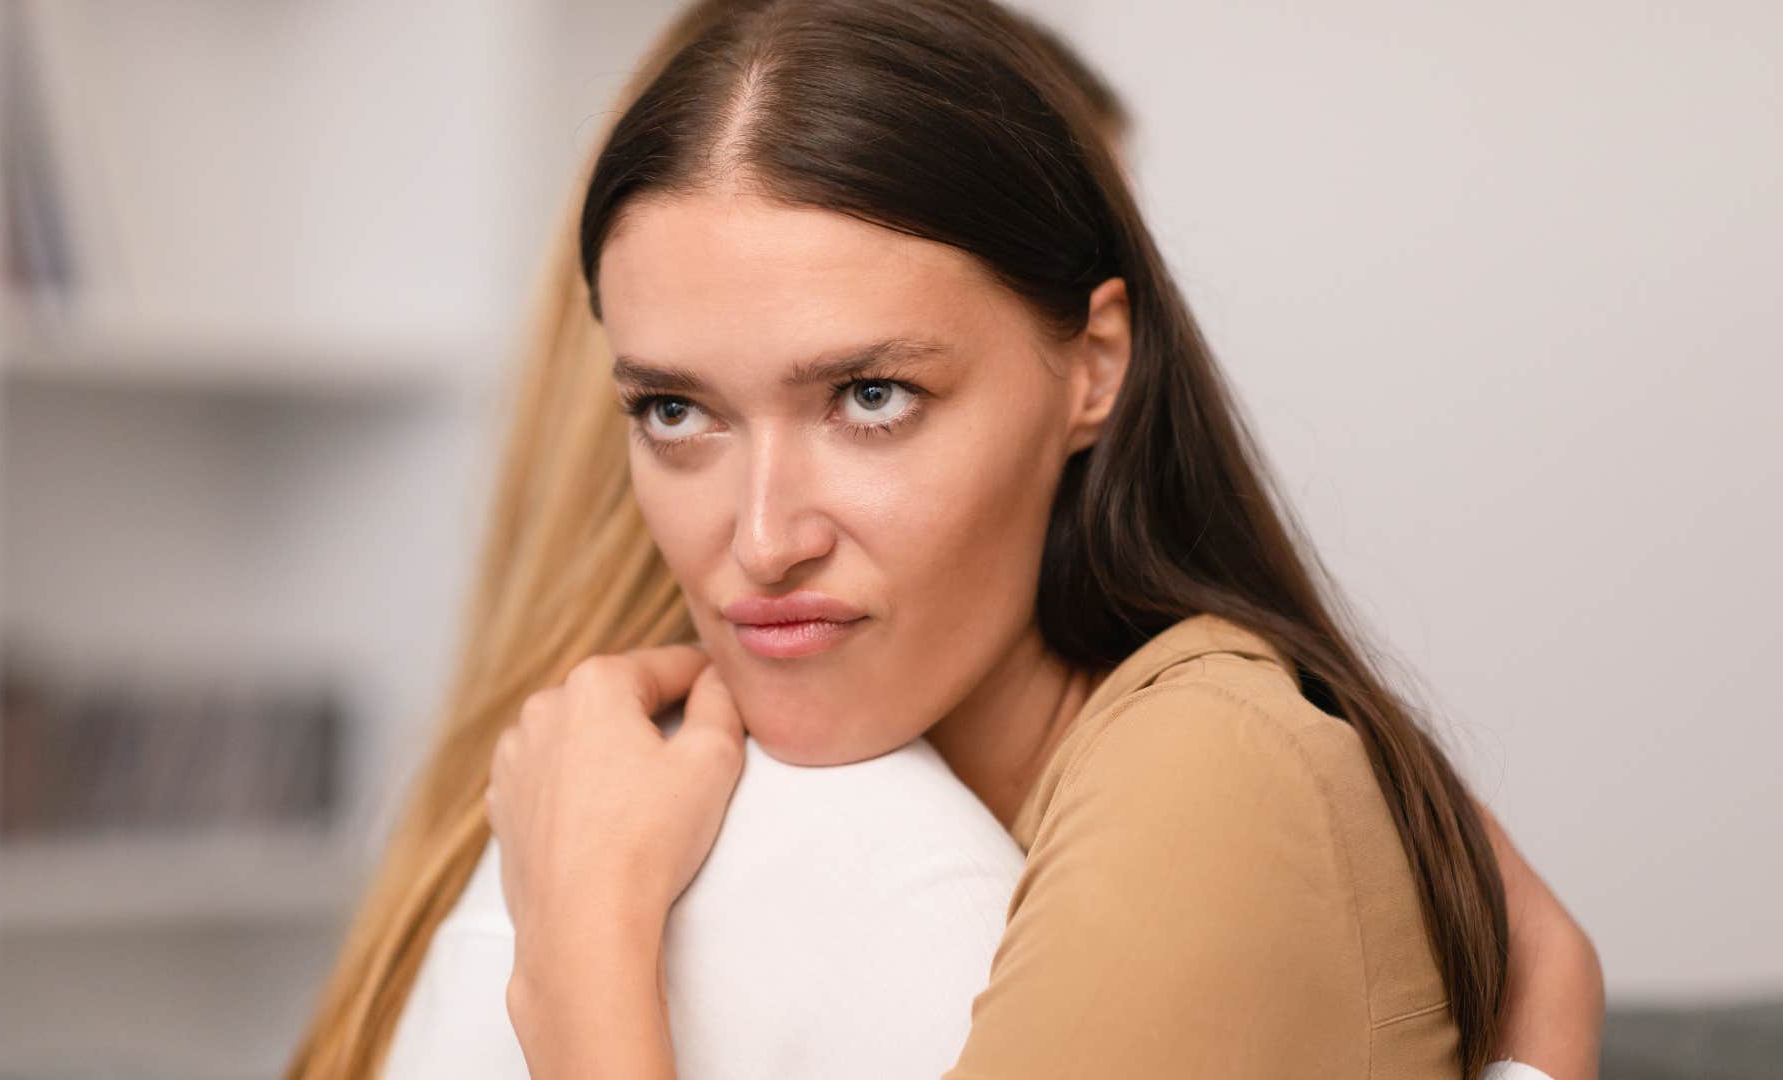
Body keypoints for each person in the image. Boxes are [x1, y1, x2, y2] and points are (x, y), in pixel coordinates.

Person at [287, 2, 1604, 1077]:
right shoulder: (757, 804)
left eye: (872, 398)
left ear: (1093, 365)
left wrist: (581, 958)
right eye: (676, 409)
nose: (762, 539)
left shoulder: (1206, 771)